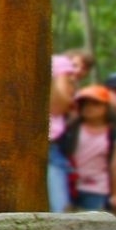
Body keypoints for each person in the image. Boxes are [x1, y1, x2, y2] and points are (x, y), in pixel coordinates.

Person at [58, 86, 115, 211]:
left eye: (95, 104)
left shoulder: (112, 133)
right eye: (84, 104)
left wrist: (115, 194)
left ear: (106, 107)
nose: (89, 107)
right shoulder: (71, 129)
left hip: (97, 189)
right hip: (68, 186)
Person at [49, 52, 83, 212]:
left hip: (49, 147)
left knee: (59, 211)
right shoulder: (58, 62)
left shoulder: (56, 64)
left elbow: (57, 107)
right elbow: (59, 106)